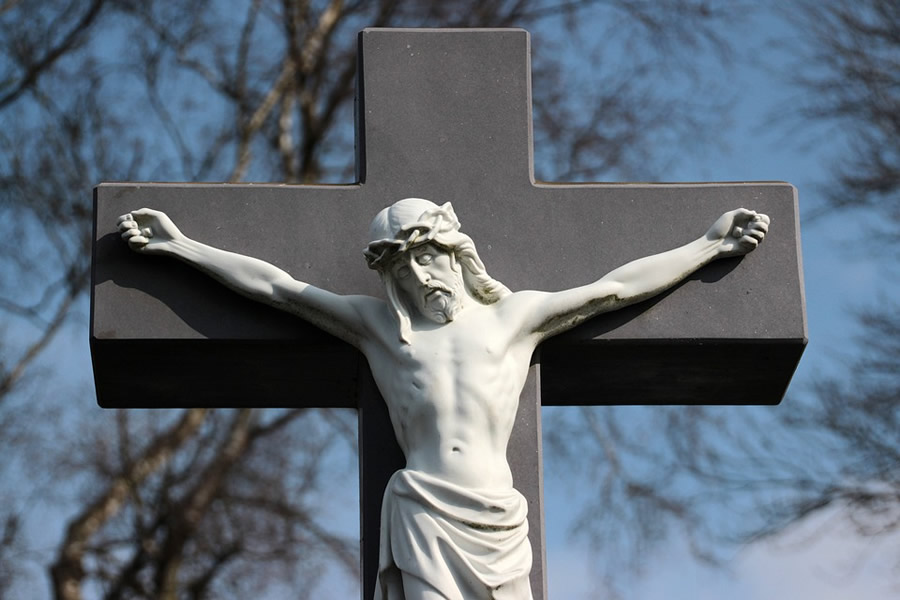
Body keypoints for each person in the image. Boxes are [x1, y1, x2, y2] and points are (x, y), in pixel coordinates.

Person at [117, 198, 769, 600]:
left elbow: (615, 290)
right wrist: (181, 246)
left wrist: (709, 244)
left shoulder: (514, 318)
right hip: (424, 508)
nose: (419, 275)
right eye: (402, 268)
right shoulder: (379, 327)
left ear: (457, 254)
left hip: (498, 517)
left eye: (428, 257)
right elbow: (277, 289)